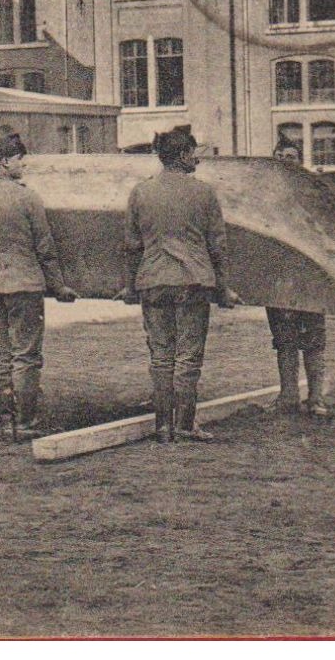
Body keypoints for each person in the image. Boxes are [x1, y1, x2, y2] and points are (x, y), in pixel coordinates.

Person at [121, 125, 235, 443]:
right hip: (193, 281)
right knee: (188, 356)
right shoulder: (204, 193)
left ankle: (162, 426)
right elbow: (218, 247)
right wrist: (223, 289)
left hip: (153, 281)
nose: (196, 160)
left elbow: (132, 246)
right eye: (193, 154)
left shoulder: (140, 192)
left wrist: (131, 287)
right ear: (183, 155)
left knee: (160, 355)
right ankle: (185, 425)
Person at [0, 133, 77, 441]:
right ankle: (26, 421)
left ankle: (7, 421)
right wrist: (59, 286)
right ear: (3, 162)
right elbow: (45, 247)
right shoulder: (27, 197)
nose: (23, 163)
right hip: (24, 284)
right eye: (18, 158)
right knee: (25, 354)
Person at [266, 142, 330, 418]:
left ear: (300, 161)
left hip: (309, 278)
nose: (284, 161)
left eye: (290, 157)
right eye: (279, 157)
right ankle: (288, 395)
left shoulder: (312, 192)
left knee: (313, 340)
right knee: (283, 339)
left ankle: (316, 398)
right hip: (280, 279)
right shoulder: (265, 196)